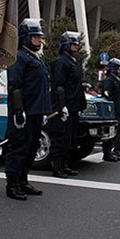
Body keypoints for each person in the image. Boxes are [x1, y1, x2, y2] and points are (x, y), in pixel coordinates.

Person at [4, 18, 51, 200]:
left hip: (36, 111)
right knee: (18, 147)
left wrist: (44, 111)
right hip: (25, 111)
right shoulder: (19, 57)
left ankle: (23, 180)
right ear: (25, 38)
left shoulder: (34, 57)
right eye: (35, 37)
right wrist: (18, 110)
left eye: (40, 38)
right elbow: (15, 86)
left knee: (31, 147)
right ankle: (12, 183)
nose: (39, 41)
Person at [49, 31, 86, 178]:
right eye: (73, 44)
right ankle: (57, 166)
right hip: (64, 106)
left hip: (73, 105)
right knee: (60, 137)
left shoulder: (72, 61)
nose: (76, 46)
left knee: (70, 138)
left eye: (76, 44)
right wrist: (61, 105)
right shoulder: (61, 62)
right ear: (65, 45)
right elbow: (59, 85)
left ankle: (65, 164)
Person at [101, 58, 120, 162]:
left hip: (117, 109)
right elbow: (107, 95)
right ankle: (107, 152)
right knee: (110, 132)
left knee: (117, 130)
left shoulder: (116, 80)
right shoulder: (109, 80)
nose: (119, 70)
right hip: (111, 110)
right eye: (118, 68)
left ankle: (110, 151)